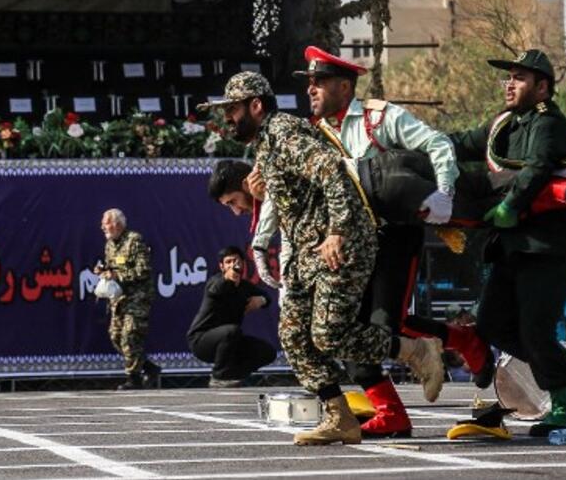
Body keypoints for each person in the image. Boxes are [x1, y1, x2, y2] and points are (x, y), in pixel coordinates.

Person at [198, 72, 444, 446]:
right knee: (294, 336)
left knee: (329, 335)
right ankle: (339, 416)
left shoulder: (283, 132)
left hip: (341, 243)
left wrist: (338, 231)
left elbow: (332, 173)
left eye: (232, 109)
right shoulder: (266, 143)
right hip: (307, 253)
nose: (227, 118)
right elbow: (294, 194)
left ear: (256, 105)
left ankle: (416, 349)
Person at [281, 45, 491, 439]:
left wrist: (444, 192)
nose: (311, 90)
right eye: (309, 82)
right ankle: (392, 412)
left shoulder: (380, 118)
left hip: (394, 234)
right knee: (347, 330)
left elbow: (439, 145)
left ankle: (465, 340)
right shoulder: (316, 135)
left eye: (319, 82)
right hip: (351, 242)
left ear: (345, 87)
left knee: (384, 324)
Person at [447, 49, 566, 437]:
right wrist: (417, 143)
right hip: (514, 247)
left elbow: (539, 167)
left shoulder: (548, 124)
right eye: (508, 77)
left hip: (548, 248)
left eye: (520, 78)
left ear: (542, 88)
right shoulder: (505, 124)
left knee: (534, 331)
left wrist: (510, 204)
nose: (510, 84)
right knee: (493, 323)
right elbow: (463, 142)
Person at [187, 246, 277, 387]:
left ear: (243, 263)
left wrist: (261, 300)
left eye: (236, 261)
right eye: (228, 262)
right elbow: (215, 289)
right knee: (232, 331)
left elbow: (267, 297)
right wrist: (227, 279)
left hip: (230, 342)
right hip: (202, 341)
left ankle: (233, 375)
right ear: (221, 266)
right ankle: (219, 376)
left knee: (267, 352)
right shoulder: (215, 281)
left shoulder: (245, 287)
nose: (233, 265)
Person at [93, 208, 161, 390]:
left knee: (129, 335)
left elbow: (143, 270)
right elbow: (111, 266)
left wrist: (118, 276)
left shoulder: (134, 240)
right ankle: (148, 367)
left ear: (117, 224)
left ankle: (133, 378)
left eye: (105, 223)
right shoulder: (109, 245)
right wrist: (103, 271)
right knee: (115, 336)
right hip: (119, 298)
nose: (102, 227)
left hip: (138, 297)